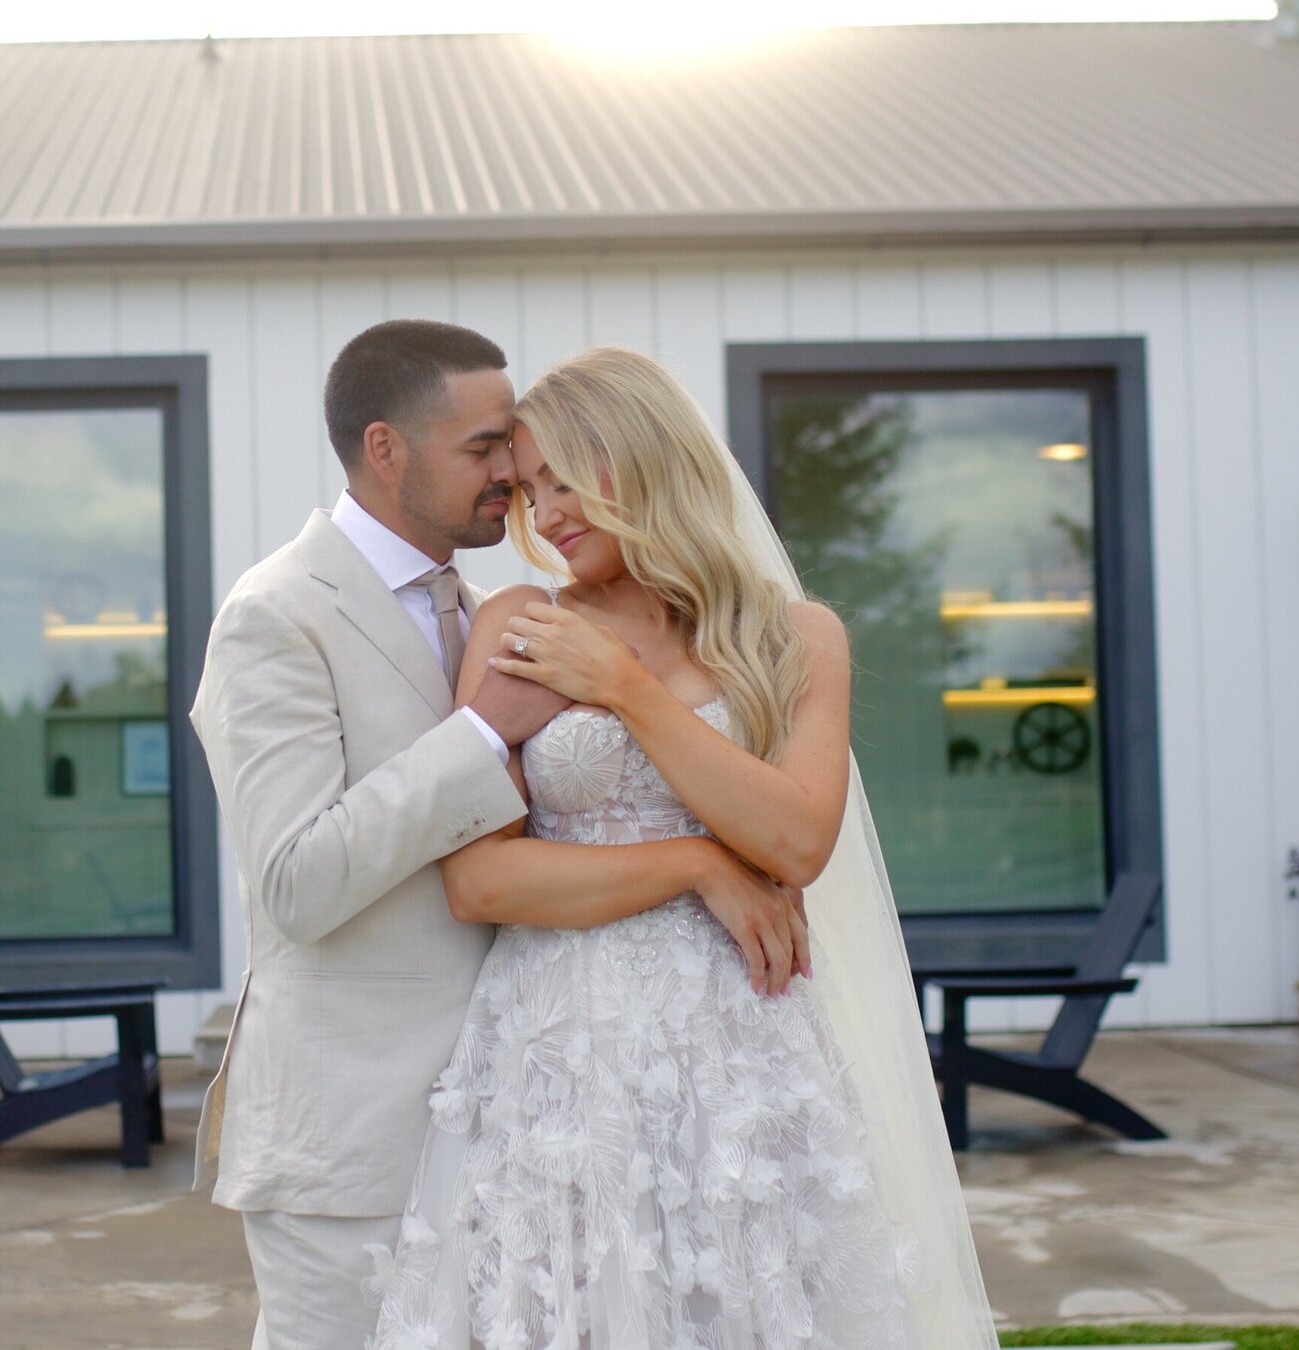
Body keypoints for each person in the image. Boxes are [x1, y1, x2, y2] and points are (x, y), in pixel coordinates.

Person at [190, 322, 813, 1350]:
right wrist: (482, 735)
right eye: (486, 452)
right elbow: (295, 883)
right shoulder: (276, 615)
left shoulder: (495, 611)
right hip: (353, 1140)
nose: (511, 484)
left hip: (522, 1117)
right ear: (386, 448)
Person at [365, 347, 997, 1348]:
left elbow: (795, 839)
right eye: (531, 487)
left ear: (647, 458)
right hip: (560, 1053)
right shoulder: (517, 627)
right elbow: (482, 881)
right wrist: (702, 866)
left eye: (570, 475)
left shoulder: (797, 638)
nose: (549, 510)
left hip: (749, 1043)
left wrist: (625, 688)